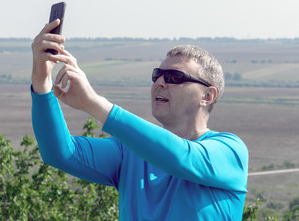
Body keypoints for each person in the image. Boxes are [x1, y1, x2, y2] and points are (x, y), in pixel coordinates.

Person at [31, 19, 248, 220]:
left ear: (207, 96)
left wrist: (95, 104)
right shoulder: (129, 153)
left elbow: (181, 158)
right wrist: (42, 82)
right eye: (157, 75)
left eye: (174, 77)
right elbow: (59, 152)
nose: (160, 82)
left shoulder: (230, 151)